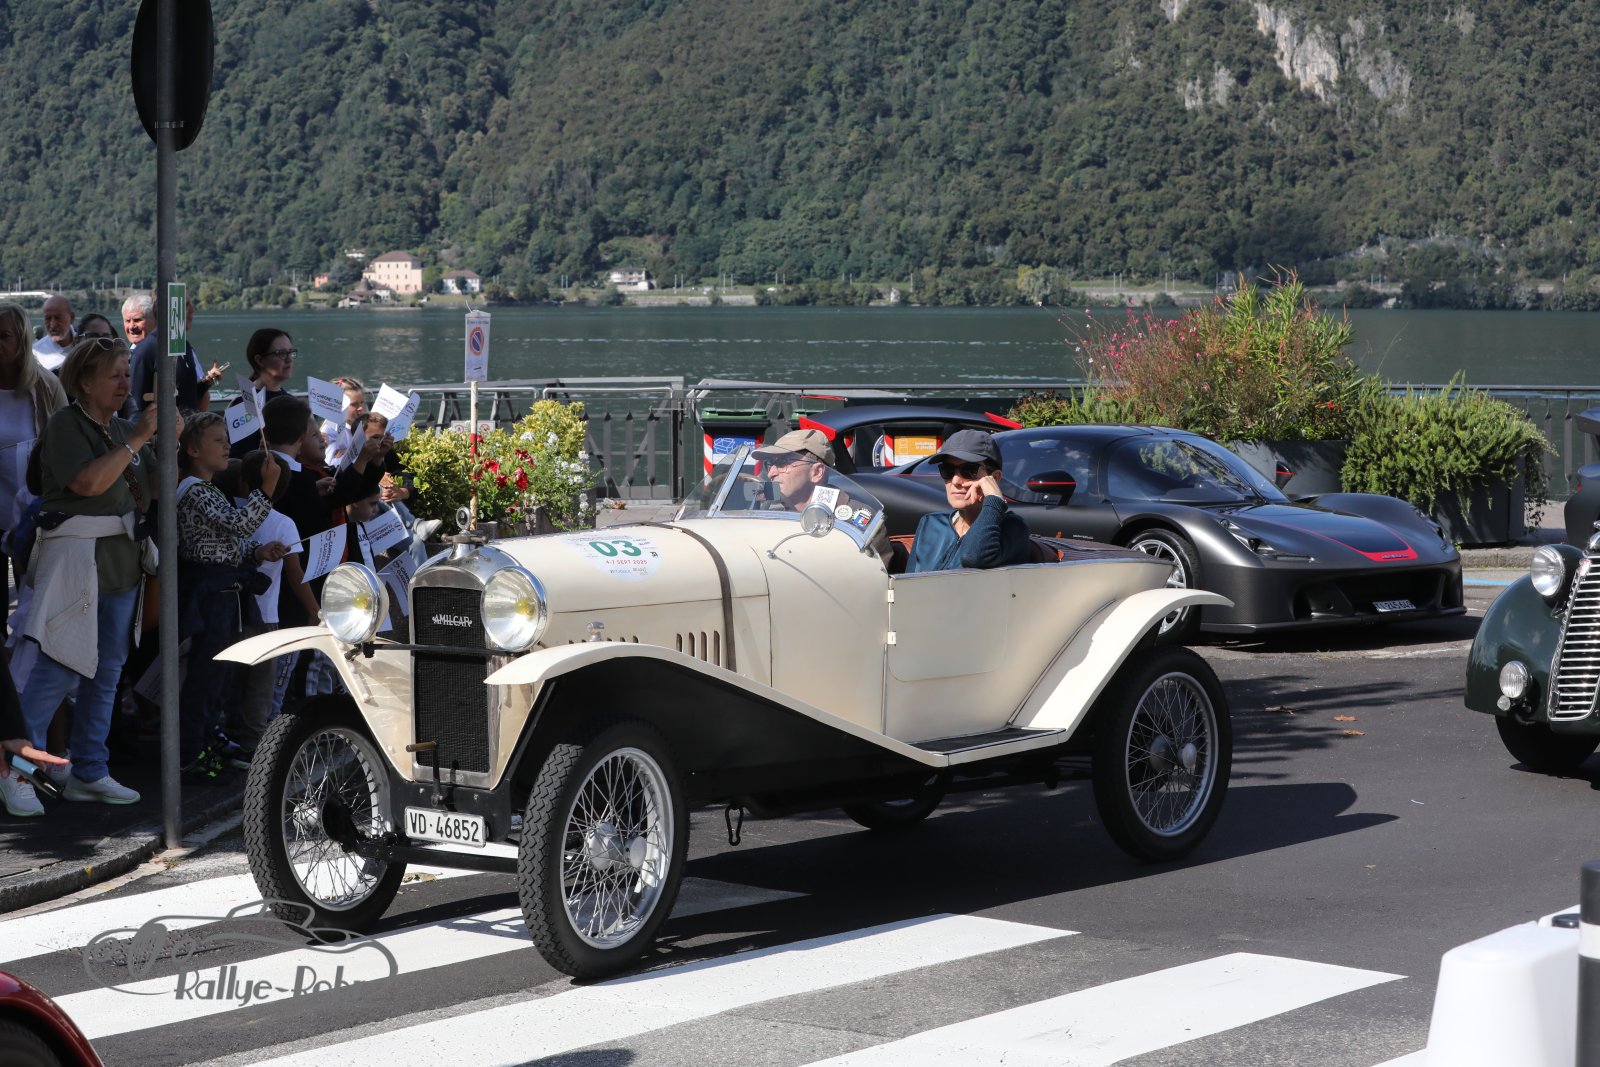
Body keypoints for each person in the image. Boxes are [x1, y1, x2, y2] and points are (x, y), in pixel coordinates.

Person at [15, 336, 175, 807]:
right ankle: (18, 772)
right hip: (75, 565)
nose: (125, 383)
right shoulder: (67, 425)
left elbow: (155, 492)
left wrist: (170, 440)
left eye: (127, 373)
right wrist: (139, 439)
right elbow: (87, 483)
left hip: (120, 566)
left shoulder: (123, 427)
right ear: (85, 382)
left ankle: (89, 769)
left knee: (106, 673)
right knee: (58, 668)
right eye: (114, 375)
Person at [174, 412, 286, 780]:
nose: (227, 446)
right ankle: (191, 751)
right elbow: (240, 524)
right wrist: (267, 488)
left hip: (224, 592)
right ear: (193, 450)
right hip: (209, 593)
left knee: (220, 675)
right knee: (206, 675)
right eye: (218, 440)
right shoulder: (194, 490)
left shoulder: (209, 490)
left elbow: (225, 542)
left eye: (227, 439)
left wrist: (257, 552)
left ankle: (210, 736)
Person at [0, 304, 70, 606]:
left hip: (31, 512)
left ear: (22, 338)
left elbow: (67, 442)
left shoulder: (45, 385)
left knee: (33, 601)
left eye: (4, 336)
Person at [753, 428, 893, 567]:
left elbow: (874, 575)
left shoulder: (855, 521)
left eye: (782, 463)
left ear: (817, 472)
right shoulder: (769, 511)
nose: (771, 473)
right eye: (770, 464)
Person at [905, 429, 1029, 573]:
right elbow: (907, 579)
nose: (956, 481)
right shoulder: (930, 523)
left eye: (969, 470)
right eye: (948, 470)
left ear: (994, 478)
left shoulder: (1013, 528)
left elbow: (973, 556)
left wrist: (994, 499)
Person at [128, 296, 220, 418]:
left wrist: (207, 382)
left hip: (188, 427)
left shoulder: (184, 346)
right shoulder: (145, 351)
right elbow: (136, 409)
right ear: (170, 311)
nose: (192, 310)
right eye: (186, 305)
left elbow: (188, 398)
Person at [230, 329, 297, 458]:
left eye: (290, 352)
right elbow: (237, 457)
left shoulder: (291, 402)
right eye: (282, 353)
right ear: (260, 360)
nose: (289, 359)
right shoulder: (245, 402)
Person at [321, 377, 367, 467]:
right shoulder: (330, 428)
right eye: (354, 404)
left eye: (362, 402)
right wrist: (353, 453)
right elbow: (329, 463)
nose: (360, 408)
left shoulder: (362, 425)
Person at [31, 295, 75, 373]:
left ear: (71, 318)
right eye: (48, 319)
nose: (52, 325)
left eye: (58, 318)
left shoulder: (87, 345)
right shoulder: (36, 353)